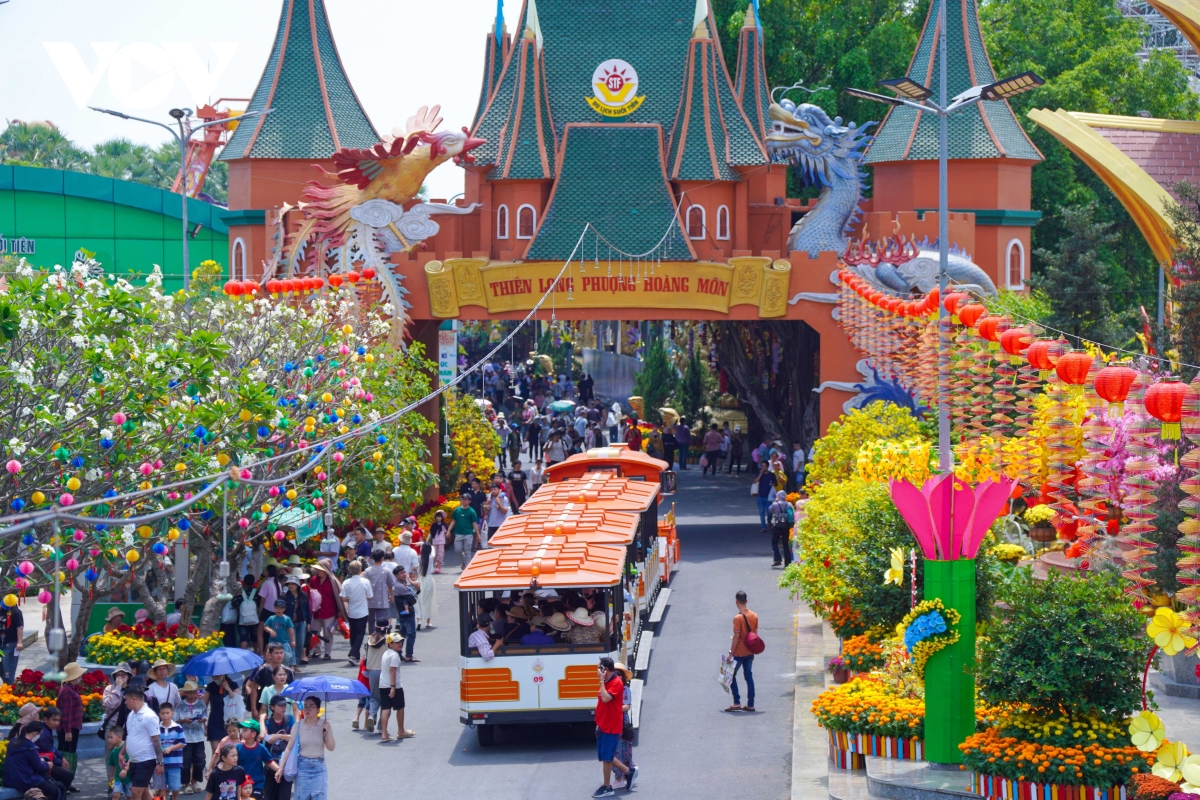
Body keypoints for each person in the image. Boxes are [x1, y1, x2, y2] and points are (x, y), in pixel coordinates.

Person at [275, 695, 334, 800]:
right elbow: (289, 748)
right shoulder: (298, 726)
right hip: (303, 767)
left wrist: (328, 731)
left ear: (318, 709)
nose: (307, 709)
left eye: (311, 706)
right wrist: (280, 768)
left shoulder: (324, 725)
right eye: (305, 706)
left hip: (319, 767)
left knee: (319, 797)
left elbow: (331, 747)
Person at [593, 657, 635, 798]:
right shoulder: (607, 681)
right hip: (603, 724)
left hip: (611, 725)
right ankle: (628, 771)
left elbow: (605, 698)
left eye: (599, 668)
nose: (597, 671)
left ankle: (607, 787)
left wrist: (601, 681)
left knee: (607, 757)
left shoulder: (616, 683)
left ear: (605, 669)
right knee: (605, 755)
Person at [122, 687, 165, 800]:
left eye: (126, 699)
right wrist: (121, 753)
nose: (125, 702)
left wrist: (160, 763)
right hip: (133, 760)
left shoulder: (149, 716)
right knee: (145, 791)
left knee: (135, 792)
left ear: (134, 699)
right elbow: (130, 737)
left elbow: (156, 740)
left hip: (146, 760)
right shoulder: (130, 715)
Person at [5, 722, 61, 800]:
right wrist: (48, 764)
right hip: (25, 780)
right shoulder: (30, 747)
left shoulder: (13, 742)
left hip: (9, 779)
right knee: (54, 790)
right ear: (35, 733)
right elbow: (39, 767)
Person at [726, 590, 759, 713]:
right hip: (750, 652)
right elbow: (755, 635)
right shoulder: (754, 615)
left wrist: (731, 653)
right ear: (746, 601)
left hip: (739, 652)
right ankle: (750, 704)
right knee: (749, 677)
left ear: (736, 602)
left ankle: (736, 702)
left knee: (730, 675)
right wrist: (753, 651)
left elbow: (736, 637)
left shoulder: (737, 618)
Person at [377, 632, 413, 742]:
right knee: (400, 707)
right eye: (397, 642)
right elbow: (392, 670)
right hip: (394, 686)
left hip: (383, 684)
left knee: (386, 708)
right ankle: (401, 731)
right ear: (390, 644)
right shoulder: (394, 655)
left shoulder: (386, 653)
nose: (400, 644)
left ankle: (384, 734)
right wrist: (393, 687)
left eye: (400, 641)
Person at [175, 682, 207, 795]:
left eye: (194, 692)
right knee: (185, 761)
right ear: (185, 693)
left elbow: (205, 716)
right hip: (185, 738)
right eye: (189, 693)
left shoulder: (201, 703)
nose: (192, 695)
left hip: (199, 737)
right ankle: (187, 783)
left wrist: (203, 720)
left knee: (200, 760)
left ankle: (195, 781)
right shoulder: (180, 705)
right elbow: (175, 720)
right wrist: (184, 721)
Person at [307, 560, 343, 661]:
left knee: (328, 633)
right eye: (317, 569)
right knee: (314, 632)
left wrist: (339, 611)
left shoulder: (333, 581)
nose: (317, 571)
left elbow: (338, 597)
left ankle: (327, 653)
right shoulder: (313, 580)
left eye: (320, 570)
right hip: (315, 611)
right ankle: (317, 650)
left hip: (329, 611)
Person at [339, 561, 373, 665]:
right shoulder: (365, 582)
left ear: (350, 570)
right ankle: (354, 654)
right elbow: (369, 596)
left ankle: (355, 655)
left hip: (351, 611)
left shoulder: (346, 582)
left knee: (353, 633)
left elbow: (343, 597)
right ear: (360, 570)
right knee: (360, 633)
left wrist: (350, 600)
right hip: (362, 611)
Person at [261, 697, 294, 800]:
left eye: (285, 705)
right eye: (280, 705)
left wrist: (279, 736)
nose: (283, 708)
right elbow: (263, 735)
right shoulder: (268, 721)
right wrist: (261, 720)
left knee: (285, 796)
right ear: (272, 707)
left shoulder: (290, 718)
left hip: (287, 764)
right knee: (269, 796)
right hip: (271, 763)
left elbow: (295, 737)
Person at [248, 646, 293, 721]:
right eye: (276, 653)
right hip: (263, 706)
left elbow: (294, 691)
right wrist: (253, 708)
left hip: (284, 713)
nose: (279, 656)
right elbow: (254, 689)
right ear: (270, 654)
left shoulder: (288, 671)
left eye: (281, 653)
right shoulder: (262, 671)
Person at [235, 720, 278, 798]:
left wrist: (279, 770)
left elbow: (269, 761)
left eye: (245, 730)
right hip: (241, 784)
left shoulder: (261, 748)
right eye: (242, 730)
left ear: (253, 734)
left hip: (257, 784)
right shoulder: (238, 747)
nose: (241, 732)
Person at [611, 662, 637, 790]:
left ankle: (621, 777)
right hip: (613, 721)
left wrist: (613, 709)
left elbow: (627, 706)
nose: (617, 675)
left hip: (621, 722)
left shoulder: (625, 689)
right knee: (616, 749)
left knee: (622, 748)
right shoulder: (610, 688)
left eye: (619, 673)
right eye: (615, 673)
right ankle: (625, 774)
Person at [55, 662, 85, 760]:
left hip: (72, 727)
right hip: (68, 729)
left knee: (70, 754)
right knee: (66, 755)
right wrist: (68, 731)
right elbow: (65, 713)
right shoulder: (67, 691)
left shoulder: (71, 689)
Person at [205, 675, 240, 758]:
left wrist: (228, 689)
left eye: (217, 675)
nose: (214, 677)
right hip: (215, 721)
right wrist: (204, 724)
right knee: (216, 752)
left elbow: (238, 701)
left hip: (230, 722)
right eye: (213, 676)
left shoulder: (233, 684)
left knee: (230, 751)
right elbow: (204, 706)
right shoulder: (210, 686)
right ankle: (216, 766)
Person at [362, 550, 396, 629]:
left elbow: (364, 585)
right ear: (382, 559)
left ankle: (371, 635)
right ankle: (381, 635)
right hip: (382, 599)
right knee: (381, 620)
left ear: (373, 558)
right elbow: (390, 585)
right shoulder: (386, 571)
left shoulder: (367, 571)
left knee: (371, 621)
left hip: (369, 599)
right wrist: (391, 596)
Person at [158, 703, 185, 800]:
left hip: (175, 762)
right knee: (161, 788)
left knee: (176, 787)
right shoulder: (157, 728)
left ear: (172, 713)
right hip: (160, 763)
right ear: (159, 714)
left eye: (167, 713)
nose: (165, 715)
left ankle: (174, 798)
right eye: (162, 713)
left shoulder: (178, 727)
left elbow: (182, 743)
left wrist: (171, 748)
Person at [392, 566, 419, 662]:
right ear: (396, 575)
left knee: (402, 635)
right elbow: (412, 600)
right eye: (401, 573)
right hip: (407, 614)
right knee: (411, 634)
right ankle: (408, 655)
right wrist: (417, 590)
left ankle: (398, 654)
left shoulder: (402, 584)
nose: (404, 574)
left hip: (402, 613)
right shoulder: (401, 586)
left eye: (404, 572)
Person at [284, 575, 311, 667]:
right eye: (289, 584)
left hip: (301, 622)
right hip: (289, 623)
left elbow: (307, 609)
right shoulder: (285, 596)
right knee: (292, 643)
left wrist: (309, 622)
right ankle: (292, 664)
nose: (291, 586)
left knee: (300, 643)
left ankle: (296, 663)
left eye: (293, 584)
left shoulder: (303, 595)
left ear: (297, 585)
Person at [449, 492, 480, 569]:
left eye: (465, 499)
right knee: (457, 549)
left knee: (467, 551)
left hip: (468, 533)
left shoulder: (472, 511)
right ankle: (464, 561)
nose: (463, 500)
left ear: (469, 501)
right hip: (458, 533)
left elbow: (474, 523)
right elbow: (453, 521)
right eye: (462, 499)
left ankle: (467, 567)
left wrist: (478, 535)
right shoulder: (457, 510)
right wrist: (449, 530)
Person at [234, 575, 262, 654]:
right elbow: (260, 604)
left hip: (242, 620)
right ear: (253, 582)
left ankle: (243, 654)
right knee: (255, 637)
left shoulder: (240, 592)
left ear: (244, 582)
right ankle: (256, 653)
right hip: (255, 619)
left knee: (243, 638)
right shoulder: (256, 593)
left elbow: (234, 603)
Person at [768, 490, 795, 567]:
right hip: (786, 526)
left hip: (777, 525)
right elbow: (792, 513)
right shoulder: (788, 504)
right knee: (785, 544)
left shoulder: (775, 504)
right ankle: (787, 562)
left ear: (778, 496)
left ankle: (777, 559)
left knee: (774, 542)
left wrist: (775, 501)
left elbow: (770, 510)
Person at [1, 599, 24, 684]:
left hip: (10, 644)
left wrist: (19, 642)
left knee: (8, 670)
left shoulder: (16, 612)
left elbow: (20, 628)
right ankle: (6, 687)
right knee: (1, 670)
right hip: (1, 644)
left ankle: (9, 687)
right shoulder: (1, 611)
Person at [416, 533, 436, 630]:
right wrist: (423, 543)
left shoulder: (418, 558)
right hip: (429, 579)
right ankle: (428, 622)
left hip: (420, 579)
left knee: (419, 600)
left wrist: (421, 544)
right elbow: (432, 548)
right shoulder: (431, 557)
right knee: (429, 601)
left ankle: (419, 620)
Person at [482, 483, 510, 547]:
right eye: (492, 489)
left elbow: (505, 511)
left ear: (499, 490)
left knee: (500, 545)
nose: (493, 491)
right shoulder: (489, 499)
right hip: (491, 525)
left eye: (495, 489)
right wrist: (487, 503)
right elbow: (486, 513)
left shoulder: (504, 498)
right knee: (490, 545)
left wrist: (499, 503)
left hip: (501, 525)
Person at [107, 726, 130, 798]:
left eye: (111, 737)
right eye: (108, 737)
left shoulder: (127, 747)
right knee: (116, 794)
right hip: (118, 777)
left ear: (119, 737)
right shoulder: (113, 751)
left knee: (130, 797)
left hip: (129, 777)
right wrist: (111, 776)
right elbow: (112, 765)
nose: (109, 740)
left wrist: (125, 770)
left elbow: (131, 760)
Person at [755, 462, 775, 532]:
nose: (763, 468)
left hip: (769, 497)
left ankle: (769, 521)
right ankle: (763, 527)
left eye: (764, 466)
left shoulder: (771, 475)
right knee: (761, 513)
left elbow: (775, 483)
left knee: (769, 512)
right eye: (762, 466)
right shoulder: (759, 473)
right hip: (760, 496)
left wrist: (772, 483)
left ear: (767, 467)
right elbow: (755, 481)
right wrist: (760, 474)